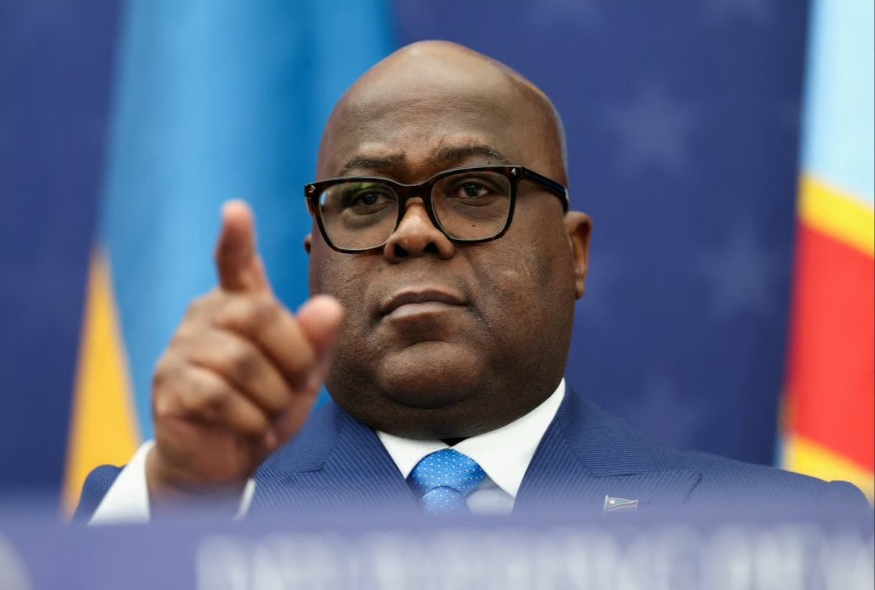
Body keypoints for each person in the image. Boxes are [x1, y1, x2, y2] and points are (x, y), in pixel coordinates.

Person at [75, 41, 865, 522]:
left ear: (574, 253)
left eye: (475, 188)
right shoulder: (180, 513)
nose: (412, 232)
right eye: (365, 200)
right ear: (314, 259)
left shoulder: (790, 534)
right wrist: (185, 503)